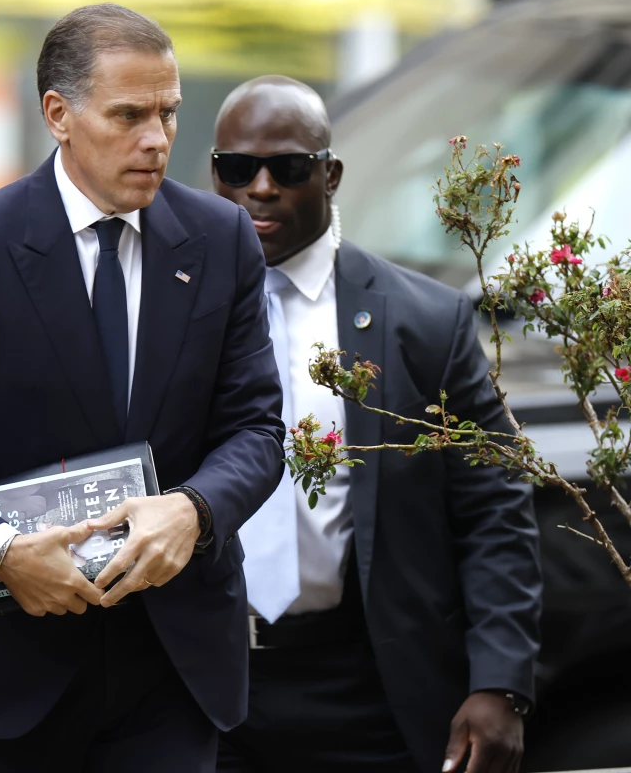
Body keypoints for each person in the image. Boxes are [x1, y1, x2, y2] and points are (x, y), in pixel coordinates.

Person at [0, 3, 285, 773]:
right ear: (58, 115)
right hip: (0, 673)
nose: (157, 139)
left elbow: (257, 429)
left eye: (169, 113)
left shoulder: (222, 239)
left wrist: (194, 510)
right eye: (129, 115)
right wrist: (0, 552)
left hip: (170, 671)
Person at [210, 76, 542, 773]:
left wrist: (500, 682)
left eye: (288, 168)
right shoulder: (172, 309)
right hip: (207, 692)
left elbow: (494, 509)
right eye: (237, 168)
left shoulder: (424, 321)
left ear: (329, 175)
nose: (260, 188)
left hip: (369, 692)